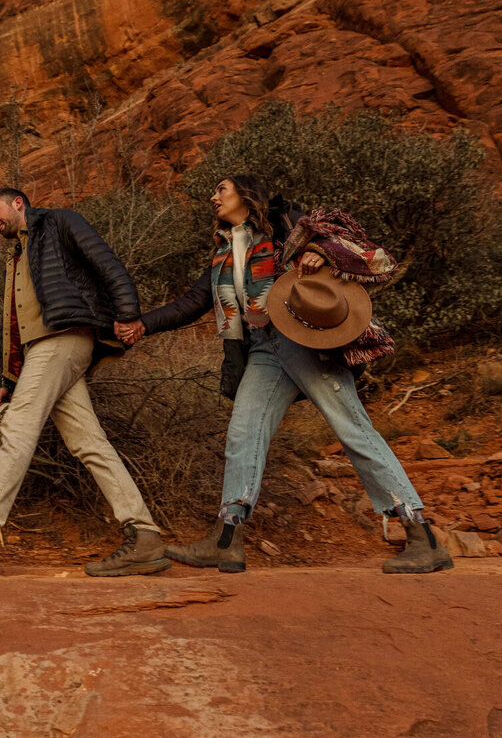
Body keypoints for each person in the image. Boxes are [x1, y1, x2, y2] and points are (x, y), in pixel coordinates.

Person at [115, 173, 452, 575]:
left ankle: (422, 537)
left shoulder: (287, 226)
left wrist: (322, 255)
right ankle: (227, 541)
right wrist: (142, 325)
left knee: (353, 429)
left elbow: (368, 255)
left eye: (221, 190)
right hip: (263, 350)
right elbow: (192, 302)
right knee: (243, 432)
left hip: (305, 342)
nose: (213, 197)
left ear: (245, 194)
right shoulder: (224, 250)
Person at [0, 187, 170, 577]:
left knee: (18, 426)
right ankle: (144, 535)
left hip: (64, 339)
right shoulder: (16, 258)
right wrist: (8, 378)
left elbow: (108, 264)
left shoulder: (59, 222)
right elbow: (17, 324)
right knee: (88, 443)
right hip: (40, 353)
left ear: (18, 203)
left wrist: (128, 314)